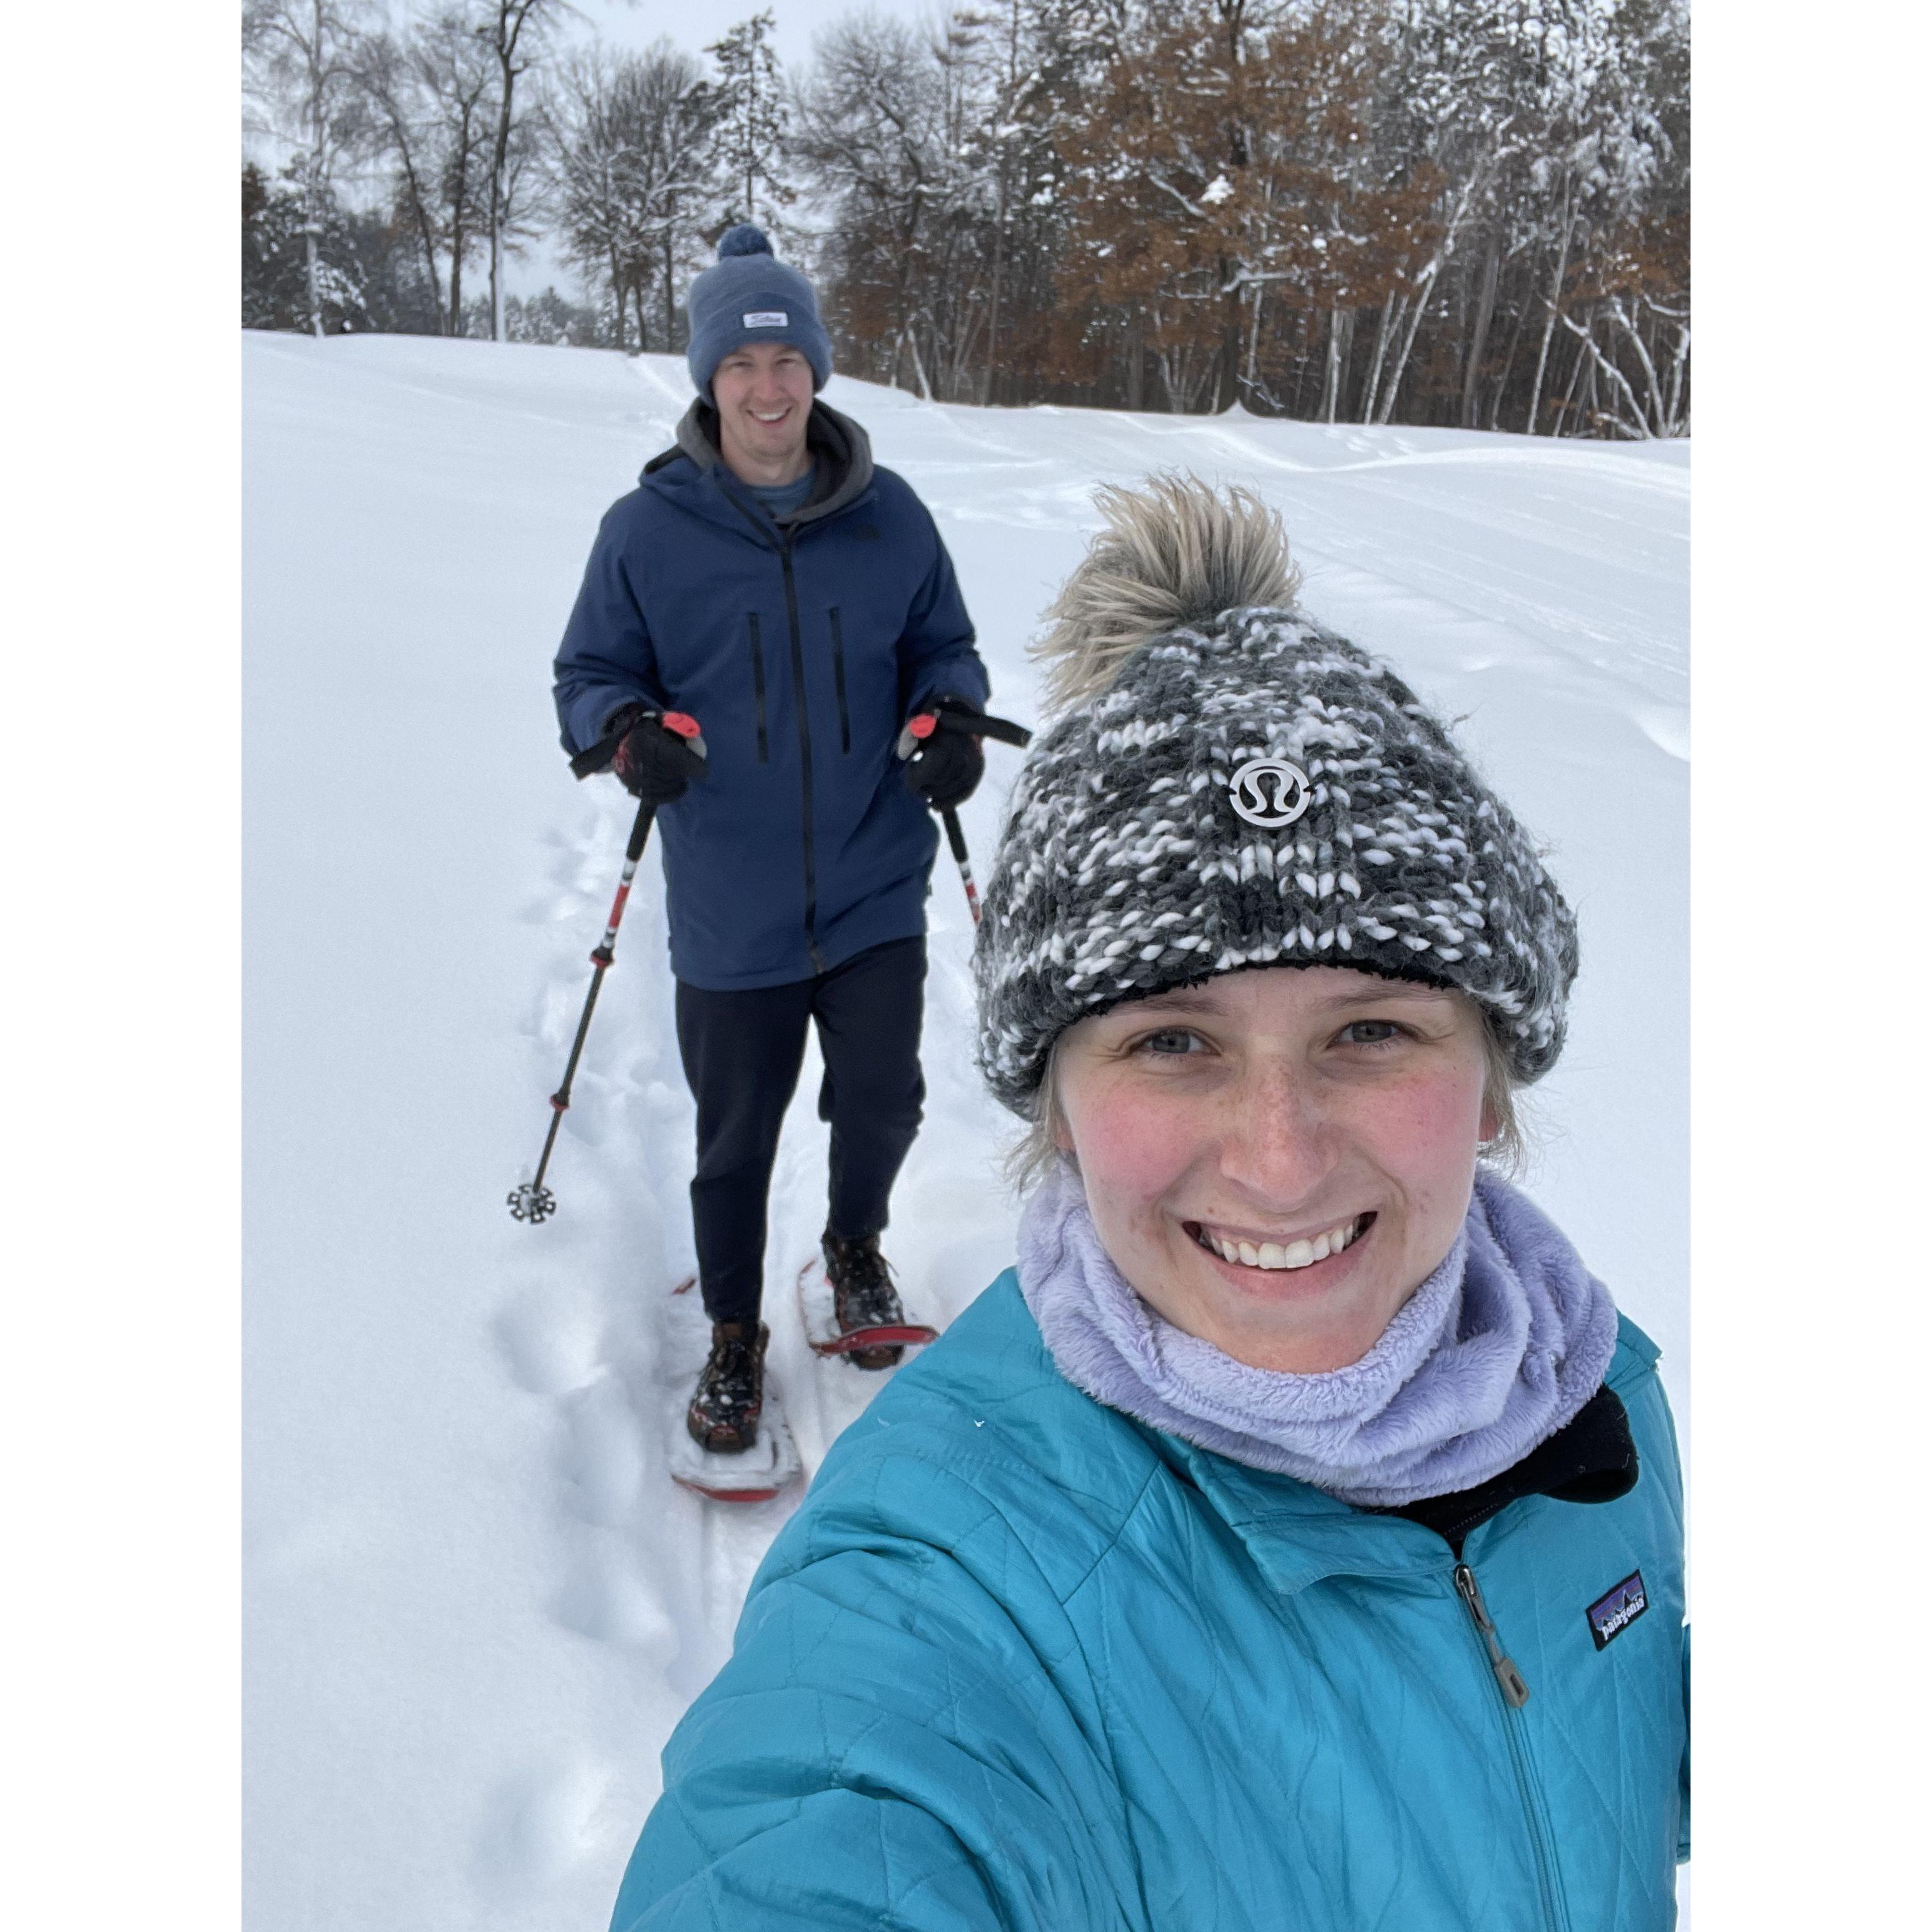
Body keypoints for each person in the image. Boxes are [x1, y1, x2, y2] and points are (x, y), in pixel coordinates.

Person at [607, 475, 1688, 1930]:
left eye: (1369, 1030)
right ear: (1055, 1111)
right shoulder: (953, 1578)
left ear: (1492, 1081)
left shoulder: (1583, 1403)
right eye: (1169, 1041)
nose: (1279, 1158)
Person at [552, 225, 992, 1456]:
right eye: (741, 365)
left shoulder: (889, 516)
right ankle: (736, 1330)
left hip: (869, 878)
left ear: (814, 369)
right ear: (707, 378)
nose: (766, 387)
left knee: (885, 1099)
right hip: (731, 899)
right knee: (733, 1138)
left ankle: (855, 1247)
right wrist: (628, 731)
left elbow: (941, 647)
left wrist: (947, 718)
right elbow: (586, 672)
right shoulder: (646, 531)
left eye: (786, 359)